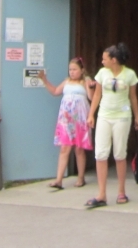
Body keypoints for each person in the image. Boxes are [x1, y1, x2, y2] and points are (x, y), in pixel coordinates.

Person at [85, 42, 138, 208]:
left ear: (114, 60)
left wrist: (137, 117)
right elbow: (97, 95)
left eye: (104, 59)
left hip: (122, 117)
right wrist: (91, 115)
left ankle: (121, 191)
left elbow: (133, 97)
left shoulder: (130, 74)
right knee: (100, 153)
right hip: (104, 116)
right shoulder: (102, 73)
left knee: (119, 153)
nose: (102, 61)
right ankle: (101, 194)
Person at [38, 57, 96, 189]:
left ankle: (81, 177)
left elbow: (92, 98)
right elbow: (55, 92)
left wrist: (91, 87)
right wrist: (44, 80)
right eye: (70, 69)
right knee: (64, 148)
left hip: (80, 118)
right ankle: (59, 180)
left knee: (79, 149)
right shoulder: (66, 82)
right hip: (66, 119)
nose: (72, 72)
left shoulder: (85, 81)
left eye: (75, 69)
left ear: (82, 70)